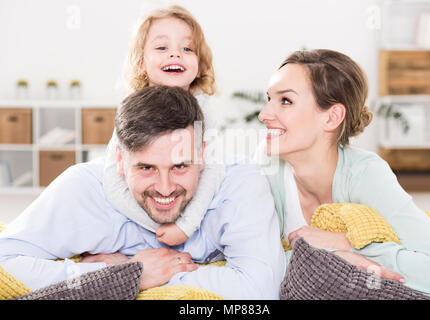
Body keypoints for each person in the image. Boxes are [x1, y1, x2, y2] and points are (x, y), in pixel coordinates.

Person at [0, 85, 285, 299]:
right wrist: (127, 275)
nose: (165, 188)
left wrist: (138, 275)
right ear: (121, 162)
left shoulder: (240, 183)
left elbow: (261, 291)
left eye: (180, 166)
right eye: (147, 168)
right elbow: (5, 263)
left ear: (202, 155)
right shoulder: (84, 189)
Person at [257, 49, 430, 300]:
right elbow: (254, 263)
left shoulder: (366, 174)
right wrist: (331, 258)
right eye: (268, 98)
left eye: (285, 101)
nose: (263, 114)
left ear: (332, 117)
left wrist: (346, 244)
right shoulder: (266, 165)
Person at [103, 5, 225, 246]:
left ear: (199, 64)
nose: (175, 54)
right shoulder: (132, 109)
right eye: (162, 47)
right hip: (145, 215)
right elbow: (112, 178)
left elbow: (214, 169)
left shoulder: (203, 108)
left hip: (188, 215)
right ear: (141, 62)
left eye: (187, 48)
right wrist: (159, 226)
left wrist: (186, 224)